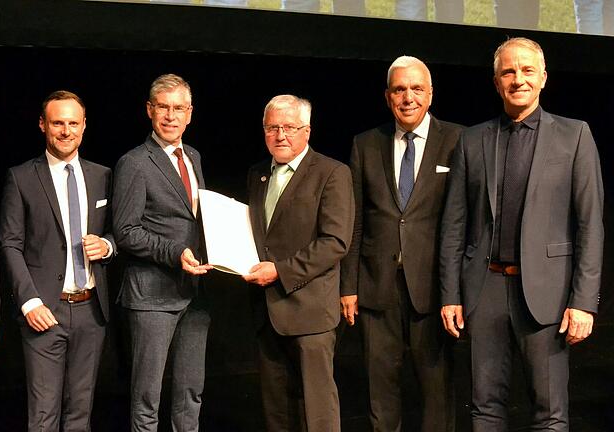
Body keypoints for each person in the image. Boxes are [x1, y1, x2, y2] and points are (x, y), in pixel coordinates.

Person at [439, 37, 604, 431]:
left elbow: (590, 224)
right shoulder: (472, 140)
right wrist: (451, 294)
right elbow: (454, 227)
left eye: (527, 70)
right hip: (485, 290)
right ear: (496, 82)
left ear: (543, 78)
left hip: (548, 293)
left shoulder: (574, 135)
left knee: (550, 413)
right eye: (508, 72)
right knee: (485, 408)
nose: (519, 79)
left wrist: (584, 302)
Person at [340, 56, 461, 432]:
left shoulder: (459, 140)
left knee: (438, 394)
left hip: (435, 292)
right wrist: (349, 287)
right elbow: (356, 221)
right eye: (399, 89)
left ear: (430, 94)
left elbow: (464, 223)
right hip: (377, 291)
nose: (408, 97)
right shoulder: (365, 144)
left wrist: (456, 289)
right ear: (387, 95)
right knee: (381, 393)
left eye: (416, 88)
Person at [0, 90, 115, 431]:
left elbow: (117, 233)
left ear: (83, 127)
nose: (66, 131)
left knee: (81, 414)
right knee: (43, 416)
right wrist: (29, 302)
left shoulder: (102, 175)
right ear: (42, 125)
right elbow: (9, 243)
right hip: (44, 312)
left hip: (91, 310)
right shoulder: (21, 177)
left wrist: (107, 246)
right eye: (57, 123)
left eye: (73, 123)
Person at [244, 94, 354, 432]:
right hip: (267, 313)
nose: (281, 135)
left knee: (318, 413)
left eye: (289, 127)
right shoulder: (257, 174)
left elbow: (335, 242)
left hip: (310, 315)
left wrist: (280, 270)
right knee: (277, 413)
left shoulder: (332, 172)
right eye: (272, 127)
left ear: (307, 130)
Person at [112, 73, 211, 432]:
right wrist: (175, 252)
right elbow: (125, 230)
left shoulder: (194, 157)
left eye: (179, 108)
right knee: (146, 399)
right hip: (152, 296)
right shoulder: (134, 162)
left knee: (190, 394)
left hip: (194, 296)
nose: (171, 116)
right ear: (150, 110)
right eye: (164, 108)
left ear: (190, 114)